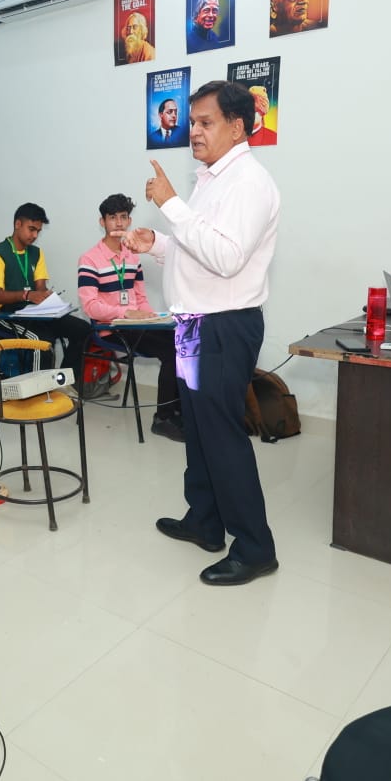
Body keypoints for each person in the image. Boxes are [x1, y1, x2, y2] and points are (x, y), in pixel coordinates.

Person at [120, 80, 281, 586]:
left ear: (237, 127)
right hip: (193, 323)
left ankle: (255, 548)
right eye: (192, 122)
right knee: (197, 425)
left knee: (223, 434)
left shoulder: (249, 183)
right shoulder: (212, 179)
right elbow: (199, 246)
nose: (194, 131)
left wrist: (170, 204)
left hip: (223, 326)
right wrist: (157, 243)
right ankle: (205, 521)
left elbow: (227, 259)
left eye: (205, 122)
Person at [77, 193, 183, 442]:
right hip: (110, 328)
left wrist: (151, 316)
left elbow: (140, 297)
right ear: (102, 222)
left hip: (136, 324)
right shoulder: (90, 259)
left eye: (123, 217)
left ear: (129, 221)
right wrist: (126, 312)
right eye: (112, 217)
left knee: (183, 342)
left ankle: (180, 410)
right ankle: (163, 419)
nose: (119, 223)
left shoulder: (133, 256)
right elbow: (90, 307)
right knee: (171, 351)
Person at [0, 202, 94, 375]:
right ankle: (39, 389)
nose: (35, 235)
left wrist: (47, 297)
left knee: (83, 329)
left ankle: (64, 380)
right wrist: (27, 295)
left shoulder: (36, 253)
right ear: (17, 224)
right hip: (5, 316)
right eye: (31, 229)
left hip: (34, 313)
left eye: (38, 231)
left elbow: (40, 288)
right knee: (42, 342)